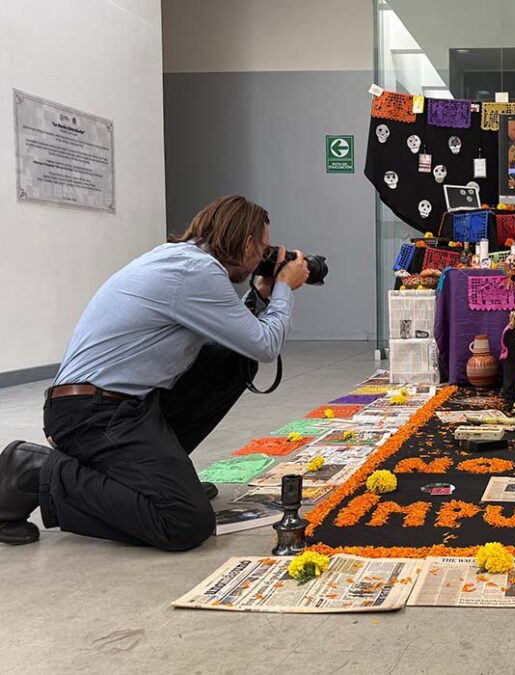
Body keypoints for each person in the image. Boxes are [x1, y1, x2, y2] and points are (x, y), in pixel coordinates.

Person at [0, 195, 308, 549]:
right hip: (90, 414)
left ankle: (157, 477)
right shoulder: (197, 271)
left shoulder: (183, 260)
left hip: (119, 405)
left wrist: (262, 294)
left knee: (231, 359)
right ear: (247, 242)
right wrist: (284, 288)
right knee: (184, 522)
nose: (262, 258)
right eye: (263, 249)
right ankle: (33, 470)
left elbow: (236, 337)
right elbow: (266, 345)